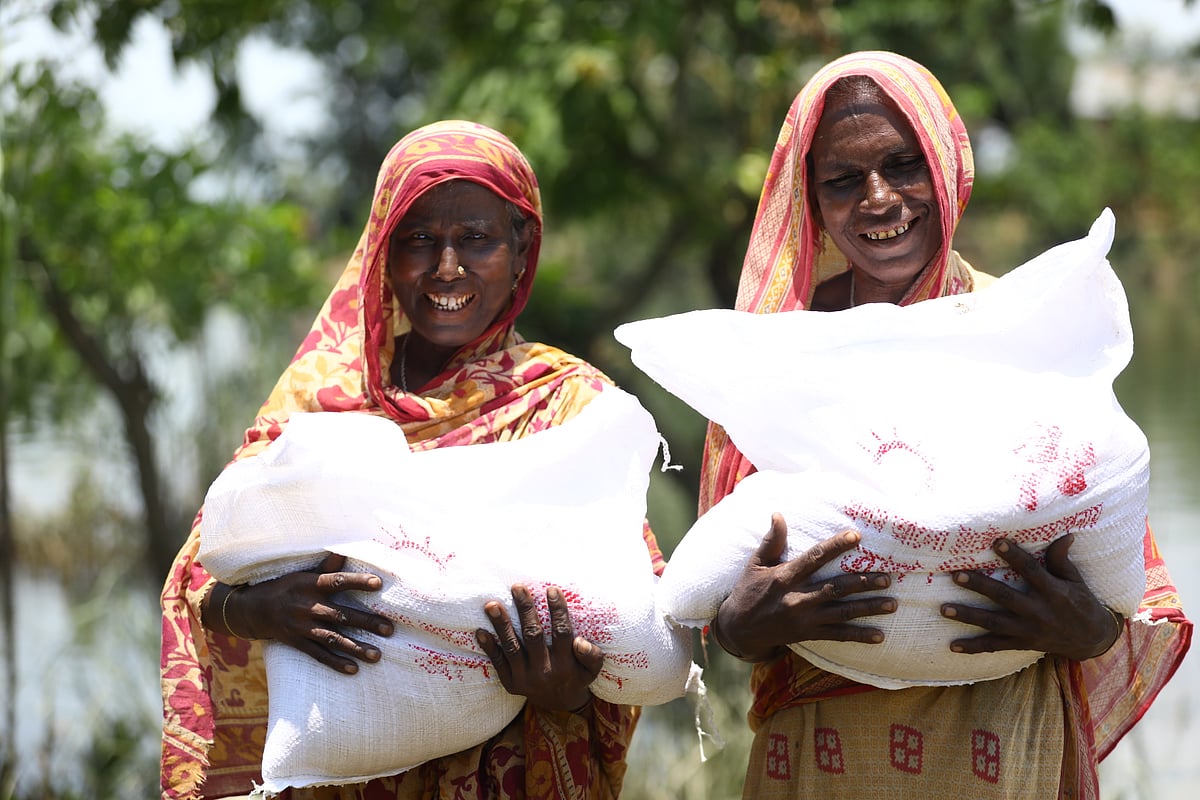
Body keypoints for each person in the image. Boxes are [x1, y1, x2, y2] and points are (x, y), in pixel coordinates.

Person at [703, 51, 1191, 798]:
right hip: (816, 752)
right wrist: (739, 628)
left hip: (1003, 748)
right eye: (842, 179)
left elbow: (1131, 600)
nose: (878, 199)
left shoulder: (1029, 331)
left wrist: (1084, 630)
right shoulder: (777, 349)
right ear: (812, 200)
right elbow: (718, 601)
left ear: (949, 163)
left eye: (904, 164)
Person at [160, 120, 665, 800]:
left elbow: (636, 609)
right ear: (382, 254)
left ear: (521, 250)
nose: (447, 268)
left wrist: (568, 690)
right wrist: (259, 610)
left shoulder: (569, 409)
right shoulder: (324, 402)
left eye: (476, 239)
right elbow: (198, 570)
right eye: (419, 240)